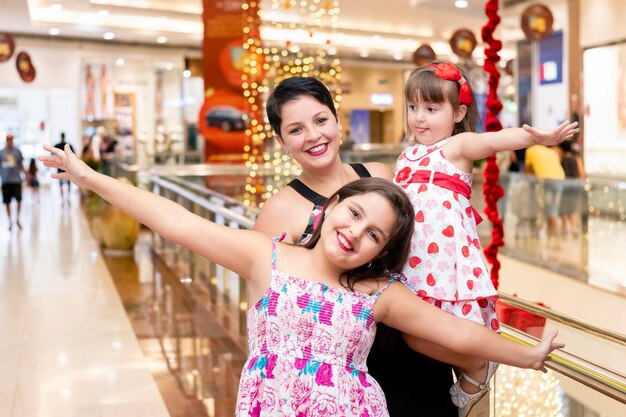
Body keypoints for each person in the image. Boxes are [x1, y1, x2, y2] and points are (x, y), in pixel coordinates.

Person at [40, 144, 565, 417]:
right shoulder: (266, 257)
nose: (355, 232)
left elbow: (458, 334)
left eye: (374, 234)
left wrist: (530, 356)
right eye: (354, 213)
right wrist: (90, 177)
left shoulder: (377, 293)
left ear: (382, 252)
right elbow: (176, 220)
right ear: (333, 203)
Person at [253, 76, 457, 416]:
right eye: (296, 129)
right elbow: (264, 307)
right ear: (281, 141)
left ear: (337, 121)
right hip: (346, 364)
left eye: (320, 120)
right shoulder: (279, 210)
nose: (314, 136)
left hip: (415, 338)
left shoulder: (380, 174)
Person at [393, 61, 578, 416]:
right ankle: (477, 366)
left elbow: (490, 140)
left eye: (432, 109)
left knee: (430, 333)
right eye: (413, 107)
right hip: (410, 260)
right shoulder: (406, 155)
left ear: (458, 112)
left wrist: (534, 138)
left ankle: (477, 368)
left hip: (445, 260)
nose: (419, 118)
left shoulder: (456, 147)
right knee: (412, 334)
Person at [524, 143, 566, 247]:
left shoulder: (530, 150)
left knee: (551, 211)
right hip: (561, 180)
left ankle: (558, 241)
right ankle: (548, 239)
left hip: (547, 181)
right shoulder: (550, 151)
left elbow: (528, 171)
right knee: (551, 210)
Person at [0, 133, 27, 230]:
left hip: (16, 180)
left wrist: (26, 175)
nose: (10, 142)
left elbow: (21, 165)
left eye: (11, 140)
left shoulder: (17, 152)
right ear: (6, 141)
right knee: (7, 202)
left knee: (19, 200)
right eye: (8, 140)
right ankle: (10, 221)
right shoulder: (1, 153)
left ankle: (17, 218)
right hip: (6, 181)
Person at [54, 132, 75, 205]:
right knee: (63, 184)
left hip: (64, 167)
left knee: (64, 184)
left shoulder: (61, 146)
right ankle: (64, 199)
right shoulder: (67, 146)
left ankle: (66, 199)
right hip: (63, 167)